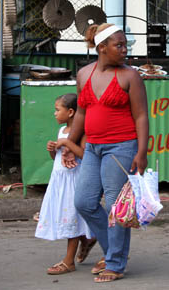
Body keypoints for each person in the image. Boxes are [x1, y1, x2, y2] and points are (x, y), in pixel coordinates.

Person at [64, 23, 149, 283]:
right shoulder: (83, 74)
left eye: (125, 45)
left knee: (115, 206)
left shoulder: (130, 76)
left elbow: (142, 115)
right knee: (84, 202)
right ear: (102, 48)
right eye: (119, 45)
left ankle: (115, 262)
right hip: (92, 147)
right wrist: (70, 143)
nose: (125, 50)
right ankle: (113, 250)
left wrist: (142, 152)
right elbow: (81, 112)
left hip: (121, 147)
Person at [35, 93, 96, 275]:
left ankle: (68, 262)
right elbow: (58, 158)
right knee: (67, 218)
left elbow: (85, 155)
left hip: (74, 182)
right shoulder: (62, 131)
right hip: (59, 182)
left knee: (71, 219)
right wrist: (53, 150)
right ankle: (86, 239)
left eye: (57, 110)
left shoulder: (82, 132)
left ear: (70, 112)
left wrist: (67, 142)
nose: (54, 113)